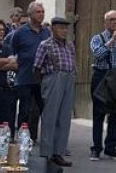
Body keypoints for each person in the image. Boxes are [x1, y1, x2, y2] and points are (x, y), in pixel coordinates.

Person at [34, 15, 76, 168]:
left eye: (66, 28)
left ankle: (59, 152)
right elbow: (37, 67)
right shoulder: (45, 45)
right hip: (53, 78)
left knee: (64, 117)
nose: (64, 30)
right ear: (52, 29)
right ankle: (47, 153)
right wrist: (42, 87)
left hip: (69, 77)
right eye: (60, 27)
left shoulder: (70, 45)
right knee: (50, 116)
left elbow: (72, 62)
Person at [89, 9, 116, 161]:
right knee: (98, 114)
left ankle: (111, 148)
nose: (114, 22)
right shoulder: (97, 38)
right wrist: (112, 40)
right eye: (111, 20)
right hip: (102, 77)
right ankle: (96, 149)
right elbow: (98, 54)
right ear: (105, 22)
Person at [7, 1, 48, 139]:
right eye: (38, 12)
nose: (41, 15)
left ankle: (42, 138)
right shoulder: (19, 33)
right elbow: (11, 52)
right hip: (24, 77)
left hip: (42, 78)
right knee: (24, 110)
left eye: (42, 12)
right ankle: (21, 138)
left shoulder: (46, 32)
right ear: (29, 14)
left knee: (44, 109)